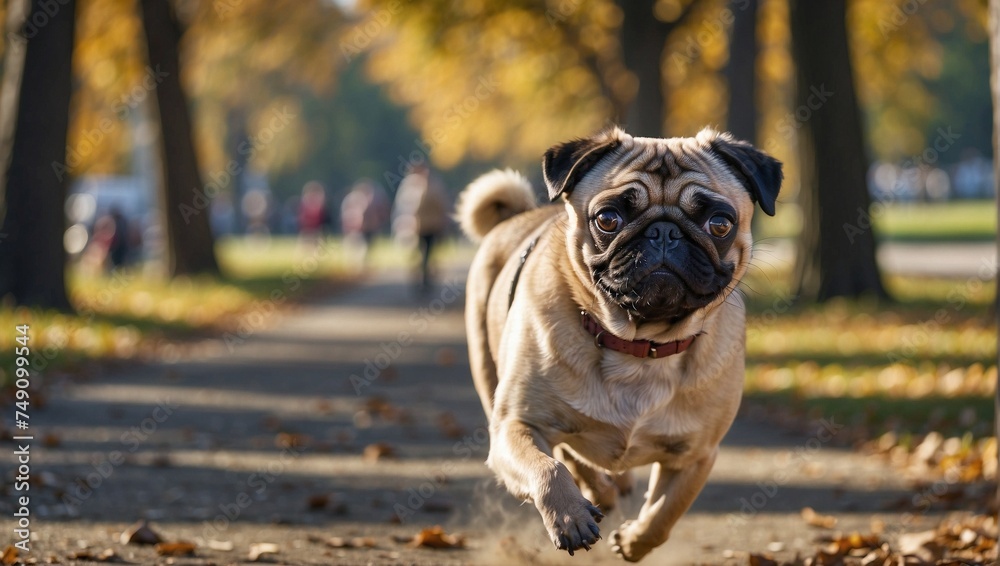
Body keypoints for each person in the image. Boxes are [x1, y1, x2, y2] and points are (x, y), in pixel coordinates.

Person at [392, 163, 450, 292]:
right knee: (418, 254)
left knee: (427, 254)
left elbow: (441, 205)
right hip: (416, 227)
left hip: (431, 227)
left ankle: (425, 278)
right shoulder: (411, 186)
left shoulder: (433, 185)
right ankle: (420, 277)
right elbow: (404, 207)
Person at [340, 179, 389, 264]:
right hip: (355, 229)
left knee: (362, 249)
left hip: (362, 229)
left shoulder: (364, 200)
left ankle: (360, 265)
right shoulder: (355, 200)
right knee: (354, 248)